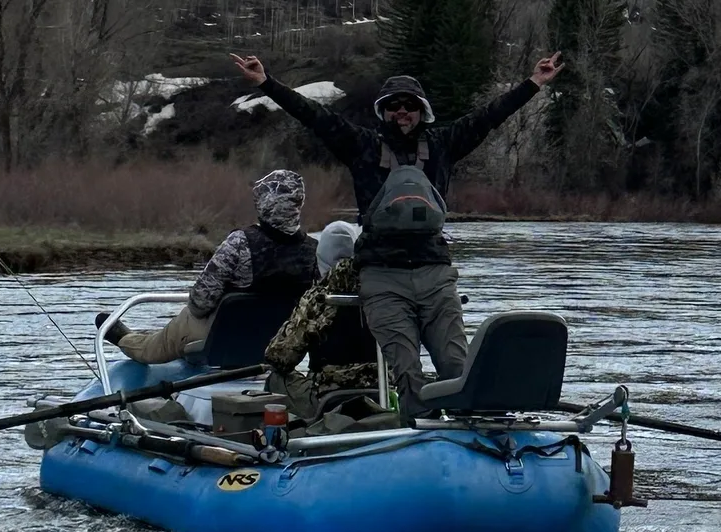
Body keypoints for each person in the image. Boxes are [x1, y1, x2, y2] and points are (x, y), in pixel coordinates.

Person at [231, 51, 562, 395]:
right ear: (383, 111)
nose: (402, 110)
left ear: (422, 111)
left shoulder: (444, 144)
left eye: (410, 104)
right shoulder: (361, 144)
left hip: (435, 272)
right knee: (405, 372)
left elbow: (489, 117)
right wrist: (267, 84)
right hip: (382, 276)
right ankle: (412, 430)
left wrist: (533, 83)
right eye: (393, 105)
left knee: (455, 365)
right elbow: (313, 115)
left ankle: (466, 432)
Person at [103, 167, 317, 365]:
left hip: (225, 335)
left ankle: (129, 341)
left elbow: (199, 303)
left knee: (154, 347)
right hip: (277, 341)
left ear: (264, 203)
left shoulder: (240, 242)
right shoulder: (314, 250)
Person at [264, 220, 381, 399]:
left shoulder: (317, 297)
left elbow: (279, 357)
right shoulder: (383, 293)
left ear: (320, 258)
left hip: (328, 396)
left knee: (277, 379)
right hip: (381, 392)